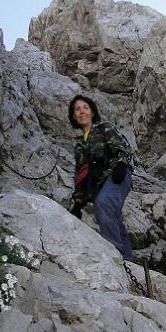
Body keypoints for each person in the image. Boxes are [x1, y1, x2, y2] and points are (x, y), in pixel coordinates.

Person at [68, 94, 135, 261]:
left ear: (92, 111)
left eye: (85, 107)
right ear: (74, 116)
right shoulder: (79, 146)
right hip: (99, 185)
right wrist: (78, 203)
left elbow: (123, 148)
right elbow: (81, 176)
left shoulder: (104, 128)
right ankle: (128, 260)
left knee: (103, 203)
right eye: (77, 109)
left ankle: (115, 255)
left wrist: (121, 165)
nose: (82, 112)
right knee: (114, 218)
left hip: (116, 175)